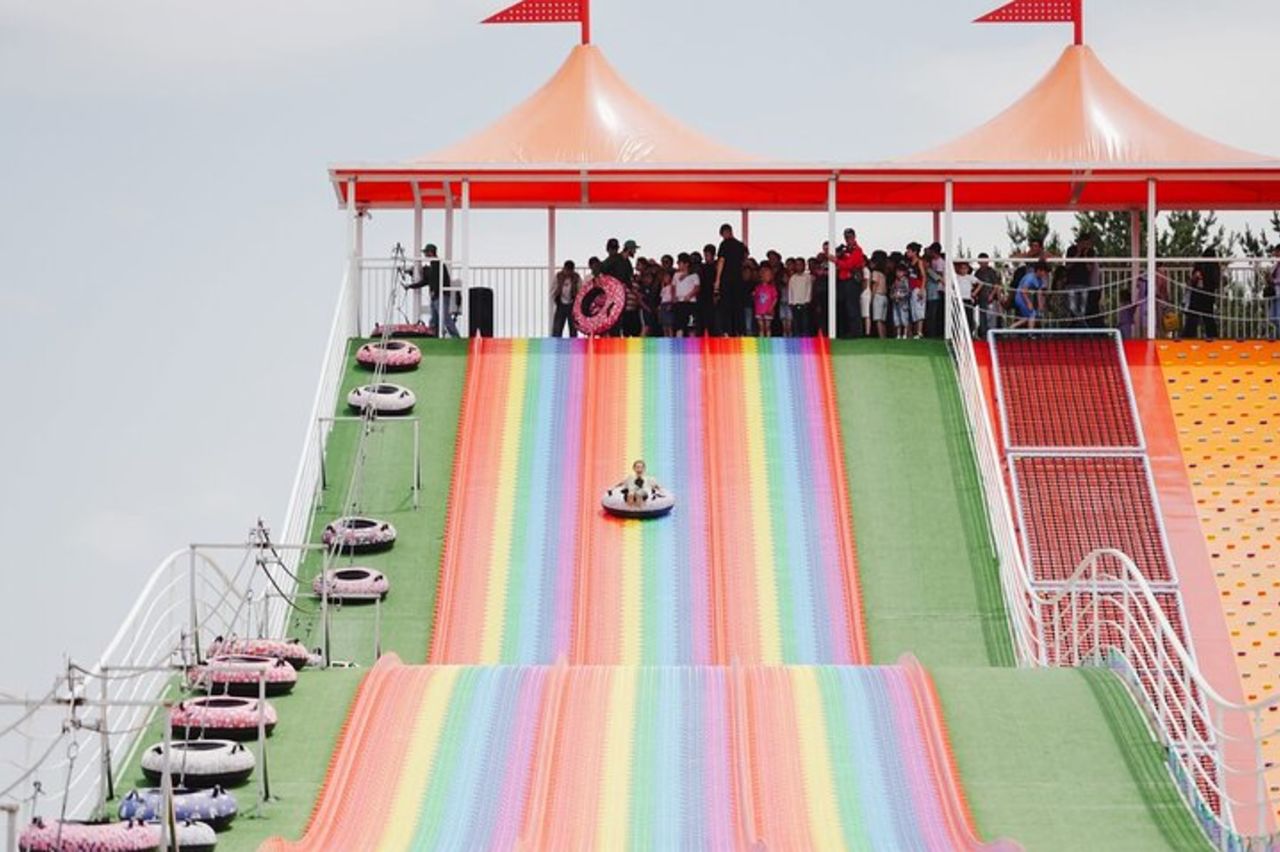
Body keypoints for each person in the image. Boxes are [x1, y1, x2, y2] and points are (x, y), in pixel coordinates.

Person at [408, 244, 459, 338]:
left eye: (426, 252)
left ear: (430, 253)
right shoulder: (434, 265)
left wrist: (434, 291)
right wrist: (410, 286)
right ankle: (433, 337)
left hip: (441, 295)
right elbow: (426, 280)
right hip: (436, 296)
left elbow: (436, 279)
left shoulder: (437, 264)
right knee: (434, 319)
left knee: (445, 318)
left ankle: (455, 337)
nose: (425, 255)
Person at [714, 224, 749, 336]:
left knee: (726, 305)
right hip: (738, 278)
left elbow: (721, 261)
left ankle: (727, 332)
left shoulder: (724, 244)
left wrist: (717, 280)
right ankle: (741, 331)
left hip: (726, 278)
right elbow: (745, 259)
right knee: (738, 305)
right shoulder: (740, 245)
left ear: (725, 233)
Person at [1185, 249, 1222, 339]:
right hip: (1208, 294)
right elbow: (1216, 282)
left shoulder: (1200, 263)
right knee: (1208, 317)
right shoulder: (1215, 266)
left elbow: (1192, 279)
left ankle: (1188, 336)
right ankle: (1212, 336)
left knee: (1193, 317)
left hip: (1198, 294)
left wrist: (1197, 277)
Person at [1012, 261, 1050, 329]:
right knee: (1032, 314)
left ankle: (1009, 328)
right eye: (1045, 272)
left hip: (1026, 296)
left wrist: (1041, 306)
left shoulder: (1040, 280)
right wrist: (1029, 303)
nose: (1045, 274)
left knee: (1027, 317)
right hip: (1020, 297)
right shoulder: (1030, 278)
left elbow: (1039, 293)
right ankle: (1031, 333)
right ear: (1039, 270)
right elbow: (1023, 291)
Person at [549, 260, 581, 338]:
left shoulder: (577, 277)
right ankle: (556, 343)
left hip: (572, 304)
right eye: (567, 270)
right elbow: (552, 290)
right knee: (557, 328)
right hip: (560, 304)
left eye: (570, 270)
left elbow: (580, 290)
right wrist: (556, 298)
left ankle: (573, 344)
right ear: (564, 268)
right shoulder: (558, 276)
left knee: (573, 329)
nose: (568, 272)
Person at [973, 254, 1001, 339]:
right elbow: (975, 285)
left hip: (991, 299)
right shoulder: (977, 272)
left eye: (985, 261)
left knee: (991, 318)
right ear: (978, 262)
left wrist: (992, 295)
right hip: (981, 298)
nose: (984, 263)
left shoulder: (991, 271)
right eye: (982, 261)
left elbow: (996, 285)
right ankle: (983, 334)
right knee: (982, 316)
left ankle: (992, 335)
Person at [673, 253, 701, 336]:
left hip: (691, 303)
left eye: (680, 263)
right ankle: (679, 342)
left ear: (686, 264)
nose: (678, 264)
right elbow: (673, 287)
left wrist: (689, 295)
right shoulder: (676, 275)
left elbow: (697, 288)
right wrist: (674, 296)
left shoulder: (694, 275)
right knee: (679, 326)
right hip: (679, 303)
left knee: (691, 325)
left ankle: (692, 343)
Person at [904, 242, 927, 339]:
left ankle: (919, 331)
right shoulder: (909, 263)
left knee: (919, 311)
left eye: (909, 251)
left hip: (918, 288)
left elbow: (924, 276)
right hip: (911, 288)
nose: (907, 253)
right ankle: (914, 332)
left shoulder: (919, 262)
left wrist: (921, 289)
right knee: (913, 311)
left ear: (915, 252)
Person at [924, 242, 946, 338]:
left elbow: (939, 277)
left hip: (938, 290)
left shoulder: (940, 262)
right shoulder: (933, 261)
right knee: (931, 312)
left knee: (934, 313)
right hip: (931, 289)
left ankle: (934, 333)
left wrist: (928, 270)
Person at [788, 257, 815, 337]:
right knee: (796, 322)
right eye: (797, 265)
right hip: (795, 303)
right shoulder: (793, 278)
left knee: (805, 322)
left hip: (804, 303)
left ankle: (806, 338)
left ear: (804, 265)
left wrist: (807, 300)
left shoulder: (808, 277)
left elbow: (809, 289)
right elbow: (790, 290)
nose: (799, 266)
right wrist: (791, 301)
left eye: (800, 264)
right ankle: (797, 337)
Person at [954, 260, 979, 337]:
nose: (963, 270)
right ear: (959, 269)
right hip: (958, 299)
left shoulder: (970, 277)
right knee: (958, 317)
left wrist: (974, 293)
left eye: (965, 268)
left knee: (969, 317)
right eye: (962, 268)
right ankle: (959, 334)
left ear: (968, 269)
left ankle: (969, 334)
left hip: (968, 299)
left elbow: (980, 283)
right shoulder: (956, 277)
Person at [753, 265, 779, 338]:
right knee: (761, 327)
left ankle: (768, 340)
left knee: (768, 327)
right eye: (765, 275)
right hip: (759, 310)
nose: (767, 277)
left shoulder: (772, 288)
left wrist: (771, 307)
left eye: (769, 275)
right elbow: (755, 298)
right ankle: (762, 340)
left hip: (768, 310)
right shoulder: (758, 287)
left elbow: (775, 298)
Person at [698, 244, 718, 336]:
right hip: (702, 297)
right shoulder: (702, 267)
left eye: (707, 255)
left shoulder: (716, 267)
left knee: (713, 323)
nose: (705, 257)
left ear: (713, 255)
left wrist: (716, 294)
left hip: (712, 297)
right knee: (701, 322)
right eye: (705, 255)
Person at [868, 251, 889, 339]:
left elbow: (875, 285)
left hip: (878, 296)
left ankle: (881, 337)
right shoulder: (883, 274)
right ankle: (884, 336)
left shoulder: (875, 273)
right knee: (882, 319)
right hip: (884, 296)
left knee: (878, 319)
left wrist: (871, 298)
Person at [890, 263, 912, 339]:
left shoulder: (905, 281)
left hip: (903, 303)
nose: (898, 273)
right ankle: (898, 334)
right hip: (895, 302)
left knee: (904, 317)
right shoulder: (895, 282)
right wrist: (893, 296)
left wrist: (901, 296)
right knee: (896, 318)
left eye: (900, 272)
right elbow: (892, 291)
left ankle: (905, 334)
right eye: (897, 272)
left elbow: (908, 291)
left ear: (904, 272)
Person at [658, 268, 677, 337]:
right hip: (663, 304)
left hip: (668, 304)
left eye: (667, 277)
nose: (665, 278)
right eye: (664, 277)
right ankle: (666, 338)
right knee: (664, 325)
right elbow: (662, 297)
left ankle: (671, 338)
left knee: (669, 325)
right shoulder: (664, 287)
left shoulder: (672, 286)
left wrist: (671, 304)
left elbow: (673, 296)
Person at [1267, 245, 1280, 340]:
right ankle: (1277, 335)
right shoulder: (1276, 265)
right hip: (1274, 292)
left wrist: (1273, 280)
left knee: (1278, 316)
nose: (1275, 253)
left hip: (1279, 292)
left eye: (1276, 251)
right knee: (1272, 317)